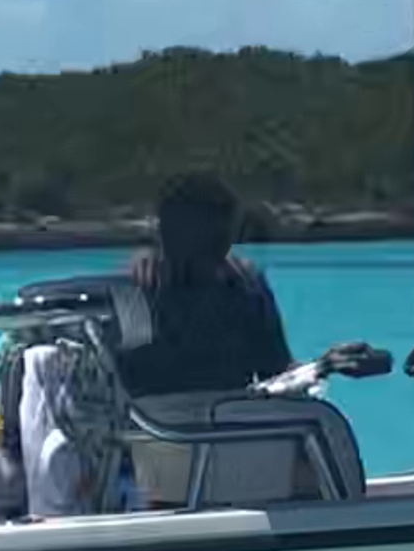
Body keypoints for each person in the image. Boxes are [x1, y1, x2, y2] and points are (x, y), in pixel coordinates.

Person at [121, 168, 383, 399]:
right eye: (206, 245)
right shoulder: (134, 296)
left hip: (235, 437)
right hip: (156, 443)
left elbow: (277, 373)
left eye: (222, 244)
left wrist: (325, 365)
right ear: (168, 236)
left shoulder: (244, 289)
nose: (217, 257)